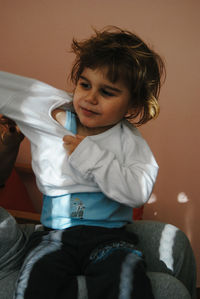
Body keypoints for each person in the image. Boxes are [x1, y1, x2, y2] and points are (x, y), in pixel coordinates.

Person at [0, 26, 196, 299]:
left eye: (107, 92)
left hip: (111, 238)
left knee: (127, 282)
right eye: (84, 84)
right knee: (36, 280)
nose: (90, 98)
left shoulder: (130, 140)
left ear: (131, 106)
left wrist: (90, 155)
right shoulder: (51, 111)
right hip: (53, 235)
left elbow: (137, 192)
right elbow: (6, 88)